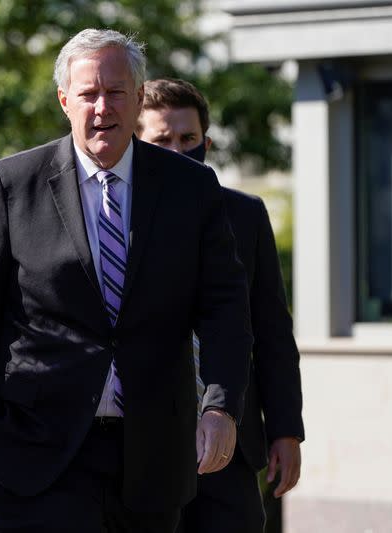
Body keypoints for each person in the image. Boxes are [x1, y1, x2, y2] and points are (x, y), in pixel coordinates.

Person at [0, 28, 253, 532]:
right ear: (65, 101)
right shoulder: (10, 183)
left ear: (137, 98)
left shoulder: (190, 187)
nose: (101, 107)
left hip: (153, 457)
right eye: (88, 93)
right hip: (38, 455)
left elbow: (225, 307)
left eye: (115, 92)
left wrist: (221, 406)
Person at [136, 77, 304, 533]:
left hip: (230, 443)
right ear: (137, 144)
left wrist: (286, 430)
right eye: (161, 140)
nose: (176, 152)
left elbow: (271, 330)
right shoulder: (114, 217)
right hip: (142, 443)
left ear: (207, 142)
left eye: (188, 139)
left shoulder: (245, 215)